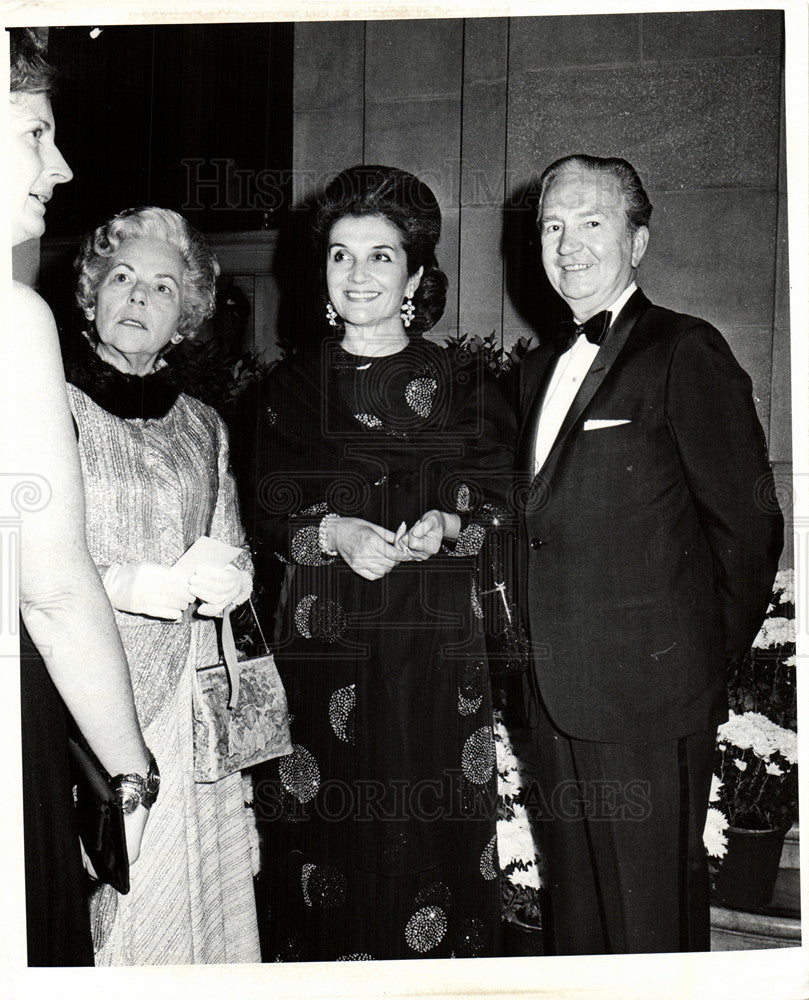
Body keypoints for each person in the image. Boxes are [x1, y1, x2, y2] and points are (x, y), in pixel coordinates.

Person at [243, 165, 516, 961]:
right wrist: (330, 532)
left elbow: (505, 503)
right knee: (329, 843)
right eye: (339, 255)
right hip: (326, 647)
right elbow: (263, 514)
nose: (358, 274)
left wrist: (448, 521)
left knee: (431, 833)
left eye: (380, 256)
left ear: (417, 275)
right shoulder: (288, 388)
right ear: (321, 275)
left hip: (435, 655)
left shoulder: (465, 384)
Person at [517, 153, 784, 954]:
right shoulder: (535, 369)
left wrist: (693, 666)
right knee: (579, 922)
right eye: (552, 226)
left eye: (591, 223)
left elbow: (747, 527)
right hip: (551, 694)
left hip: (648, 699)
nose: (568, 245)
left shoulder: (684, 349)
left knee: (648, 924)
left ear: (636, 241)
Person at [65, 206, 260, 964]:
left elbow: (233, 544)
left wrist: (229, 577)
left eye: (162, 286)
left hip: (182, 705)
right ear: (91, 296)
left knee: (182, 912)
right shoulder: (45, 406)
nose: (138, 296)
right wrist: (126, 581)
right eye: (121, 277)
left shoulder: (204, 425)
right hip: (81, 700)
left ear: (187, 316)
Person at [7, 28, 155, 966]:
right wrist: (131, 778)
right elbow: (53, 591)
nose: (59, 165)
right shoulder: (16, 321)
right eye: (33, 131)